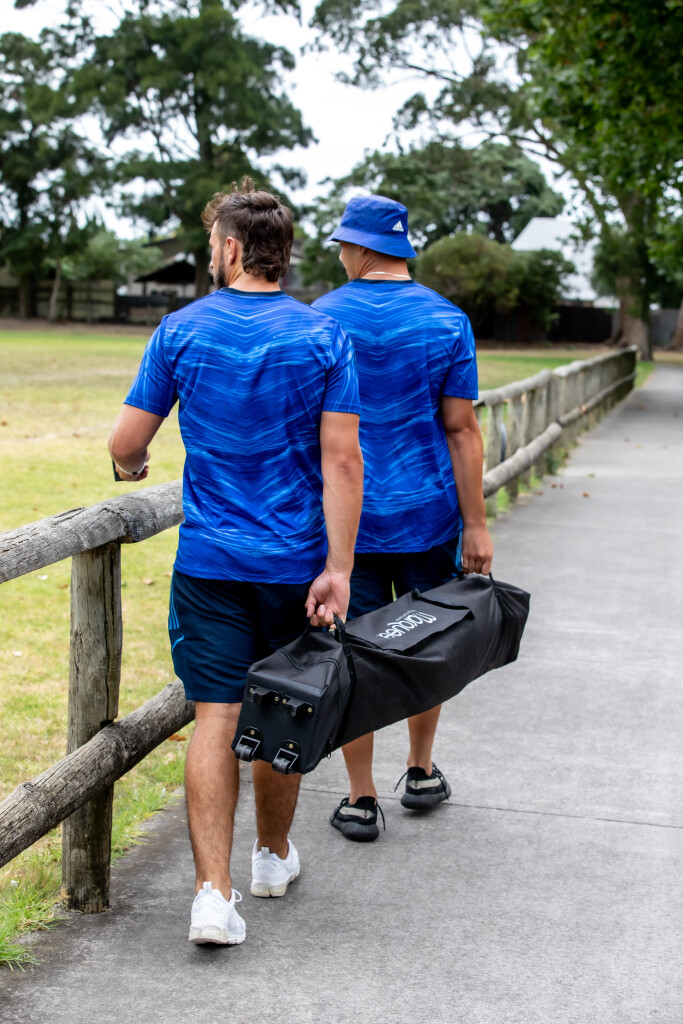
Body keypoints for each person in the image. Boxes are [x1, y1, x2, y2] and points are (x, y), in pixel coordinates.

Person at [108, 179, 363, 943]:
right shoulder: (324, 337)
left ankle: (211, 897)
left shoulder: (181, 330)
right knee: (283, 711)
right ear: (280, 253)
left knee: (215, 718)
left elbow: (126, 443)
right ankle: (271, 857)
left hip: (210, 563)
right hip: (295, 566)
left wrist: (130, 467)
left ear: (228, 248)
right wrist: (339, 569)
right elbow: (342, 461)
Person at [312, 193, 493, 842]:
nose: (339, 254)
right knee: (426, 644)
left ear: (361, 248)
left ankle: (360, 797)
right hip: (429, 517)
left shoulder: (321, 318)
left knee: (352, 652)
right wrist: (476, 525)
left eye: (342, 244)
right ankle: (419, 769)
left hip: (347, 526)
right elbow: (462, 429)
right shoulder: (448, 320)